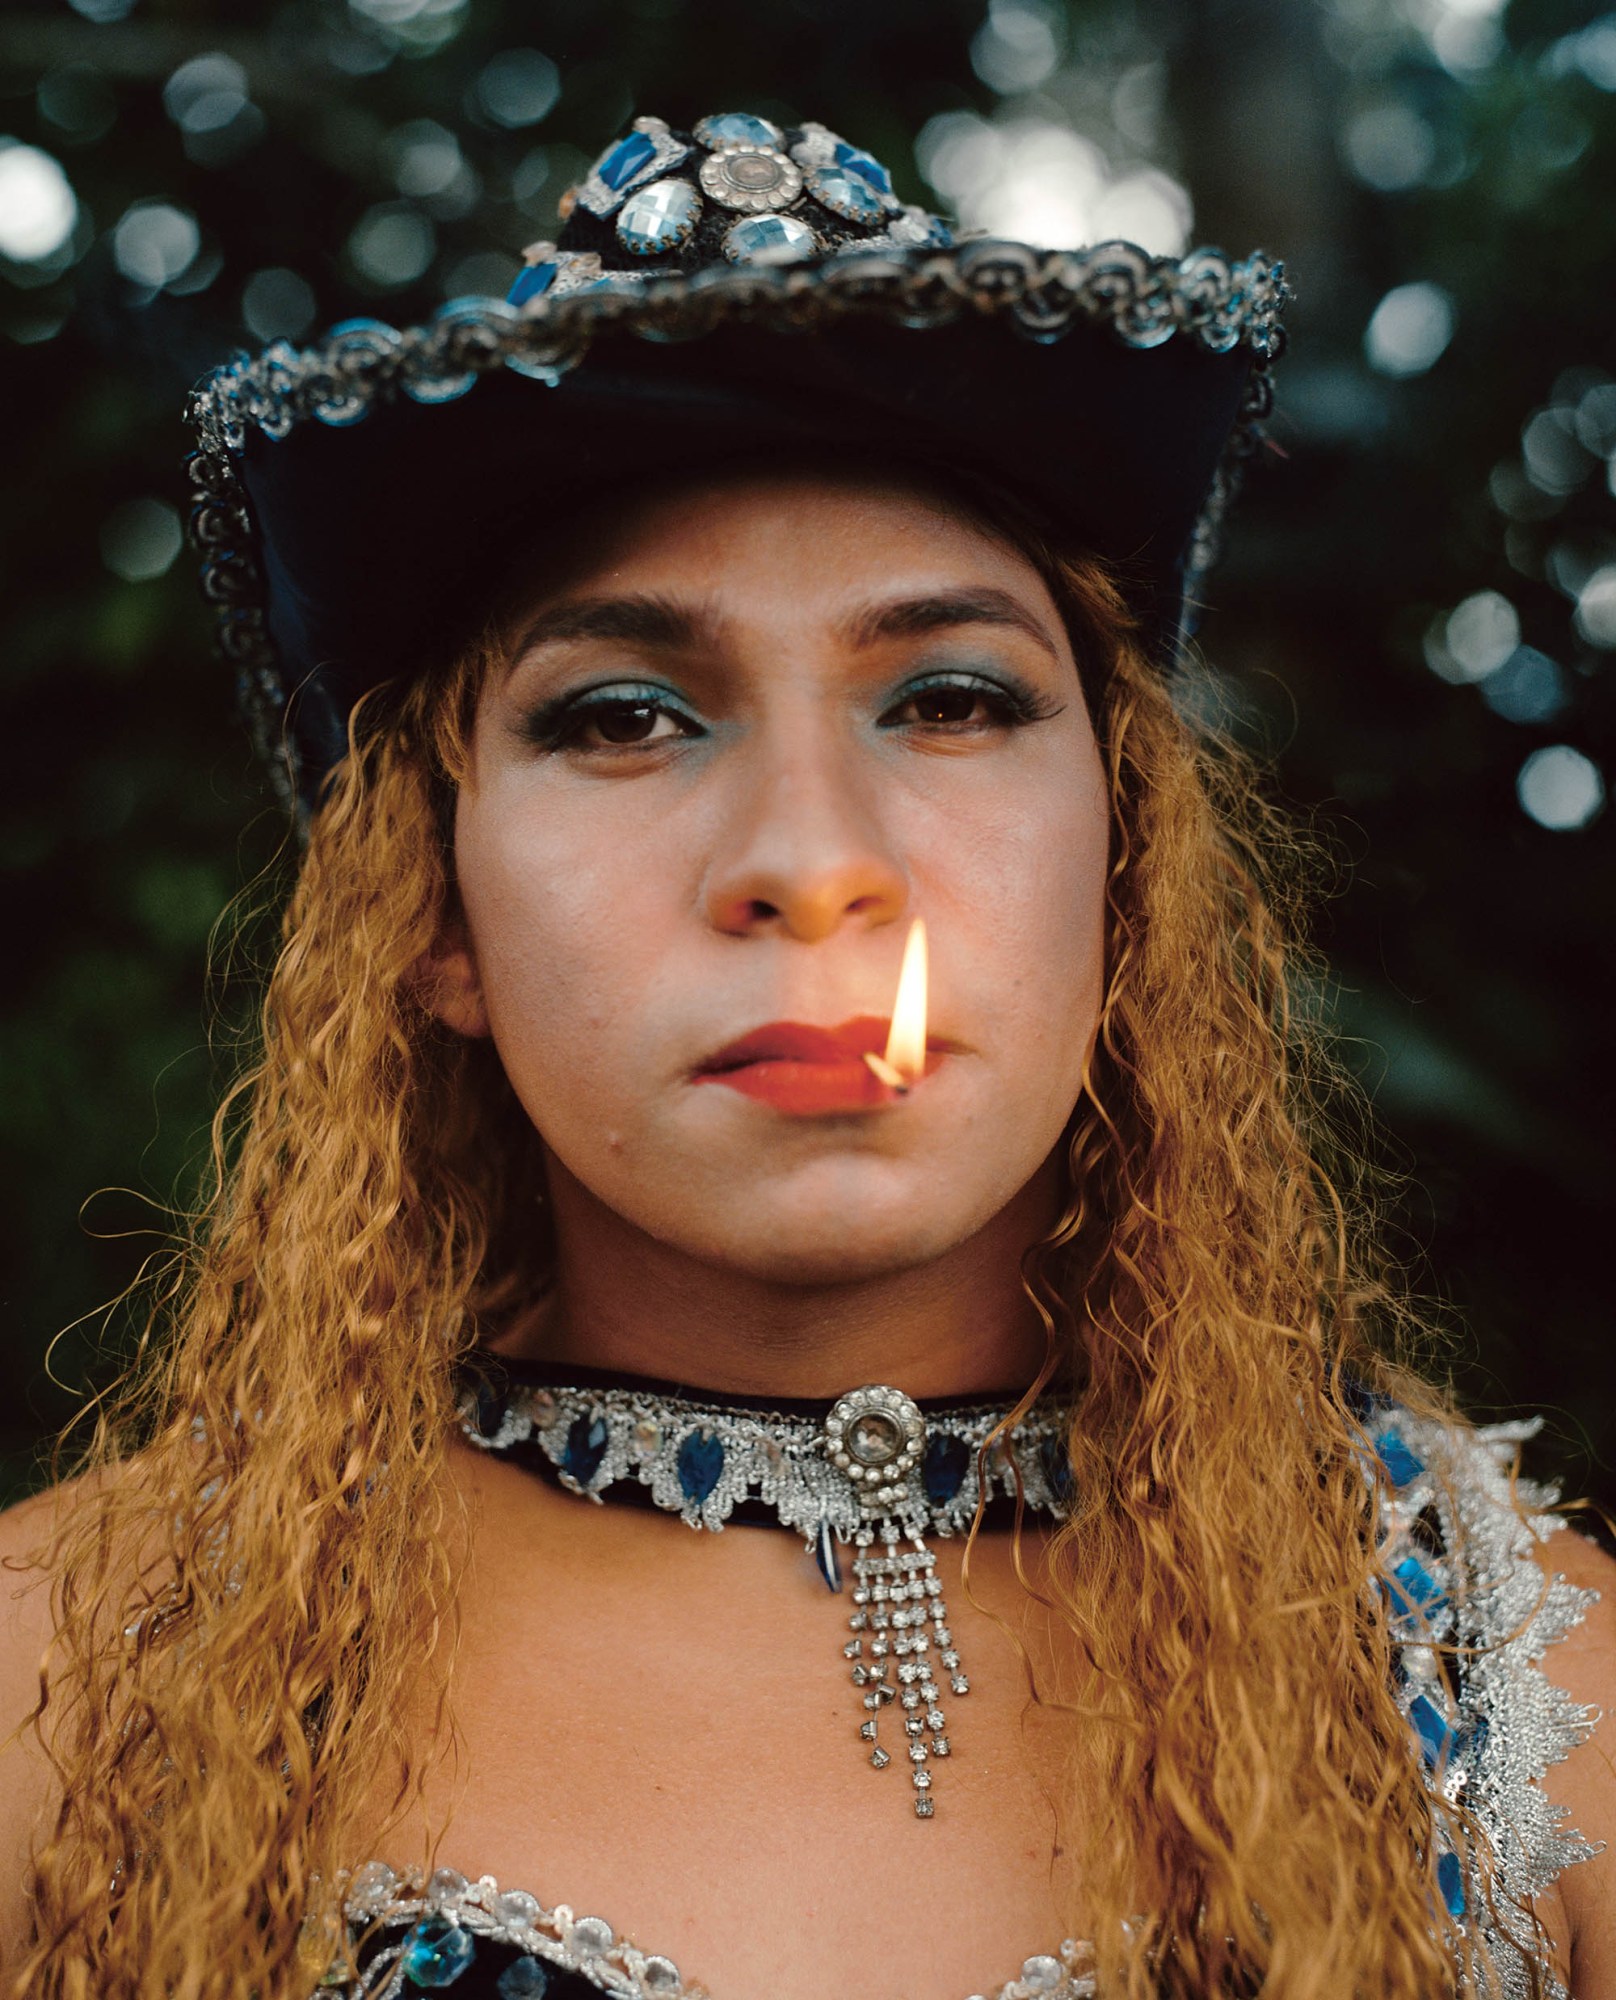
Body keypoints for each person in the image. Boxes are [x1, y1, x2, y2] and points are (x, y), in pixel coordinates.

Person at [1, 108, 1612, 2000]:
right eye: (621, 715)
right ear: (429, 916)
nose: (812, 865)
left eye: (948, 698)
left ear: (1131, 870)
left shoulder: (1533, 1701)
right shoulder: (71, 1692)